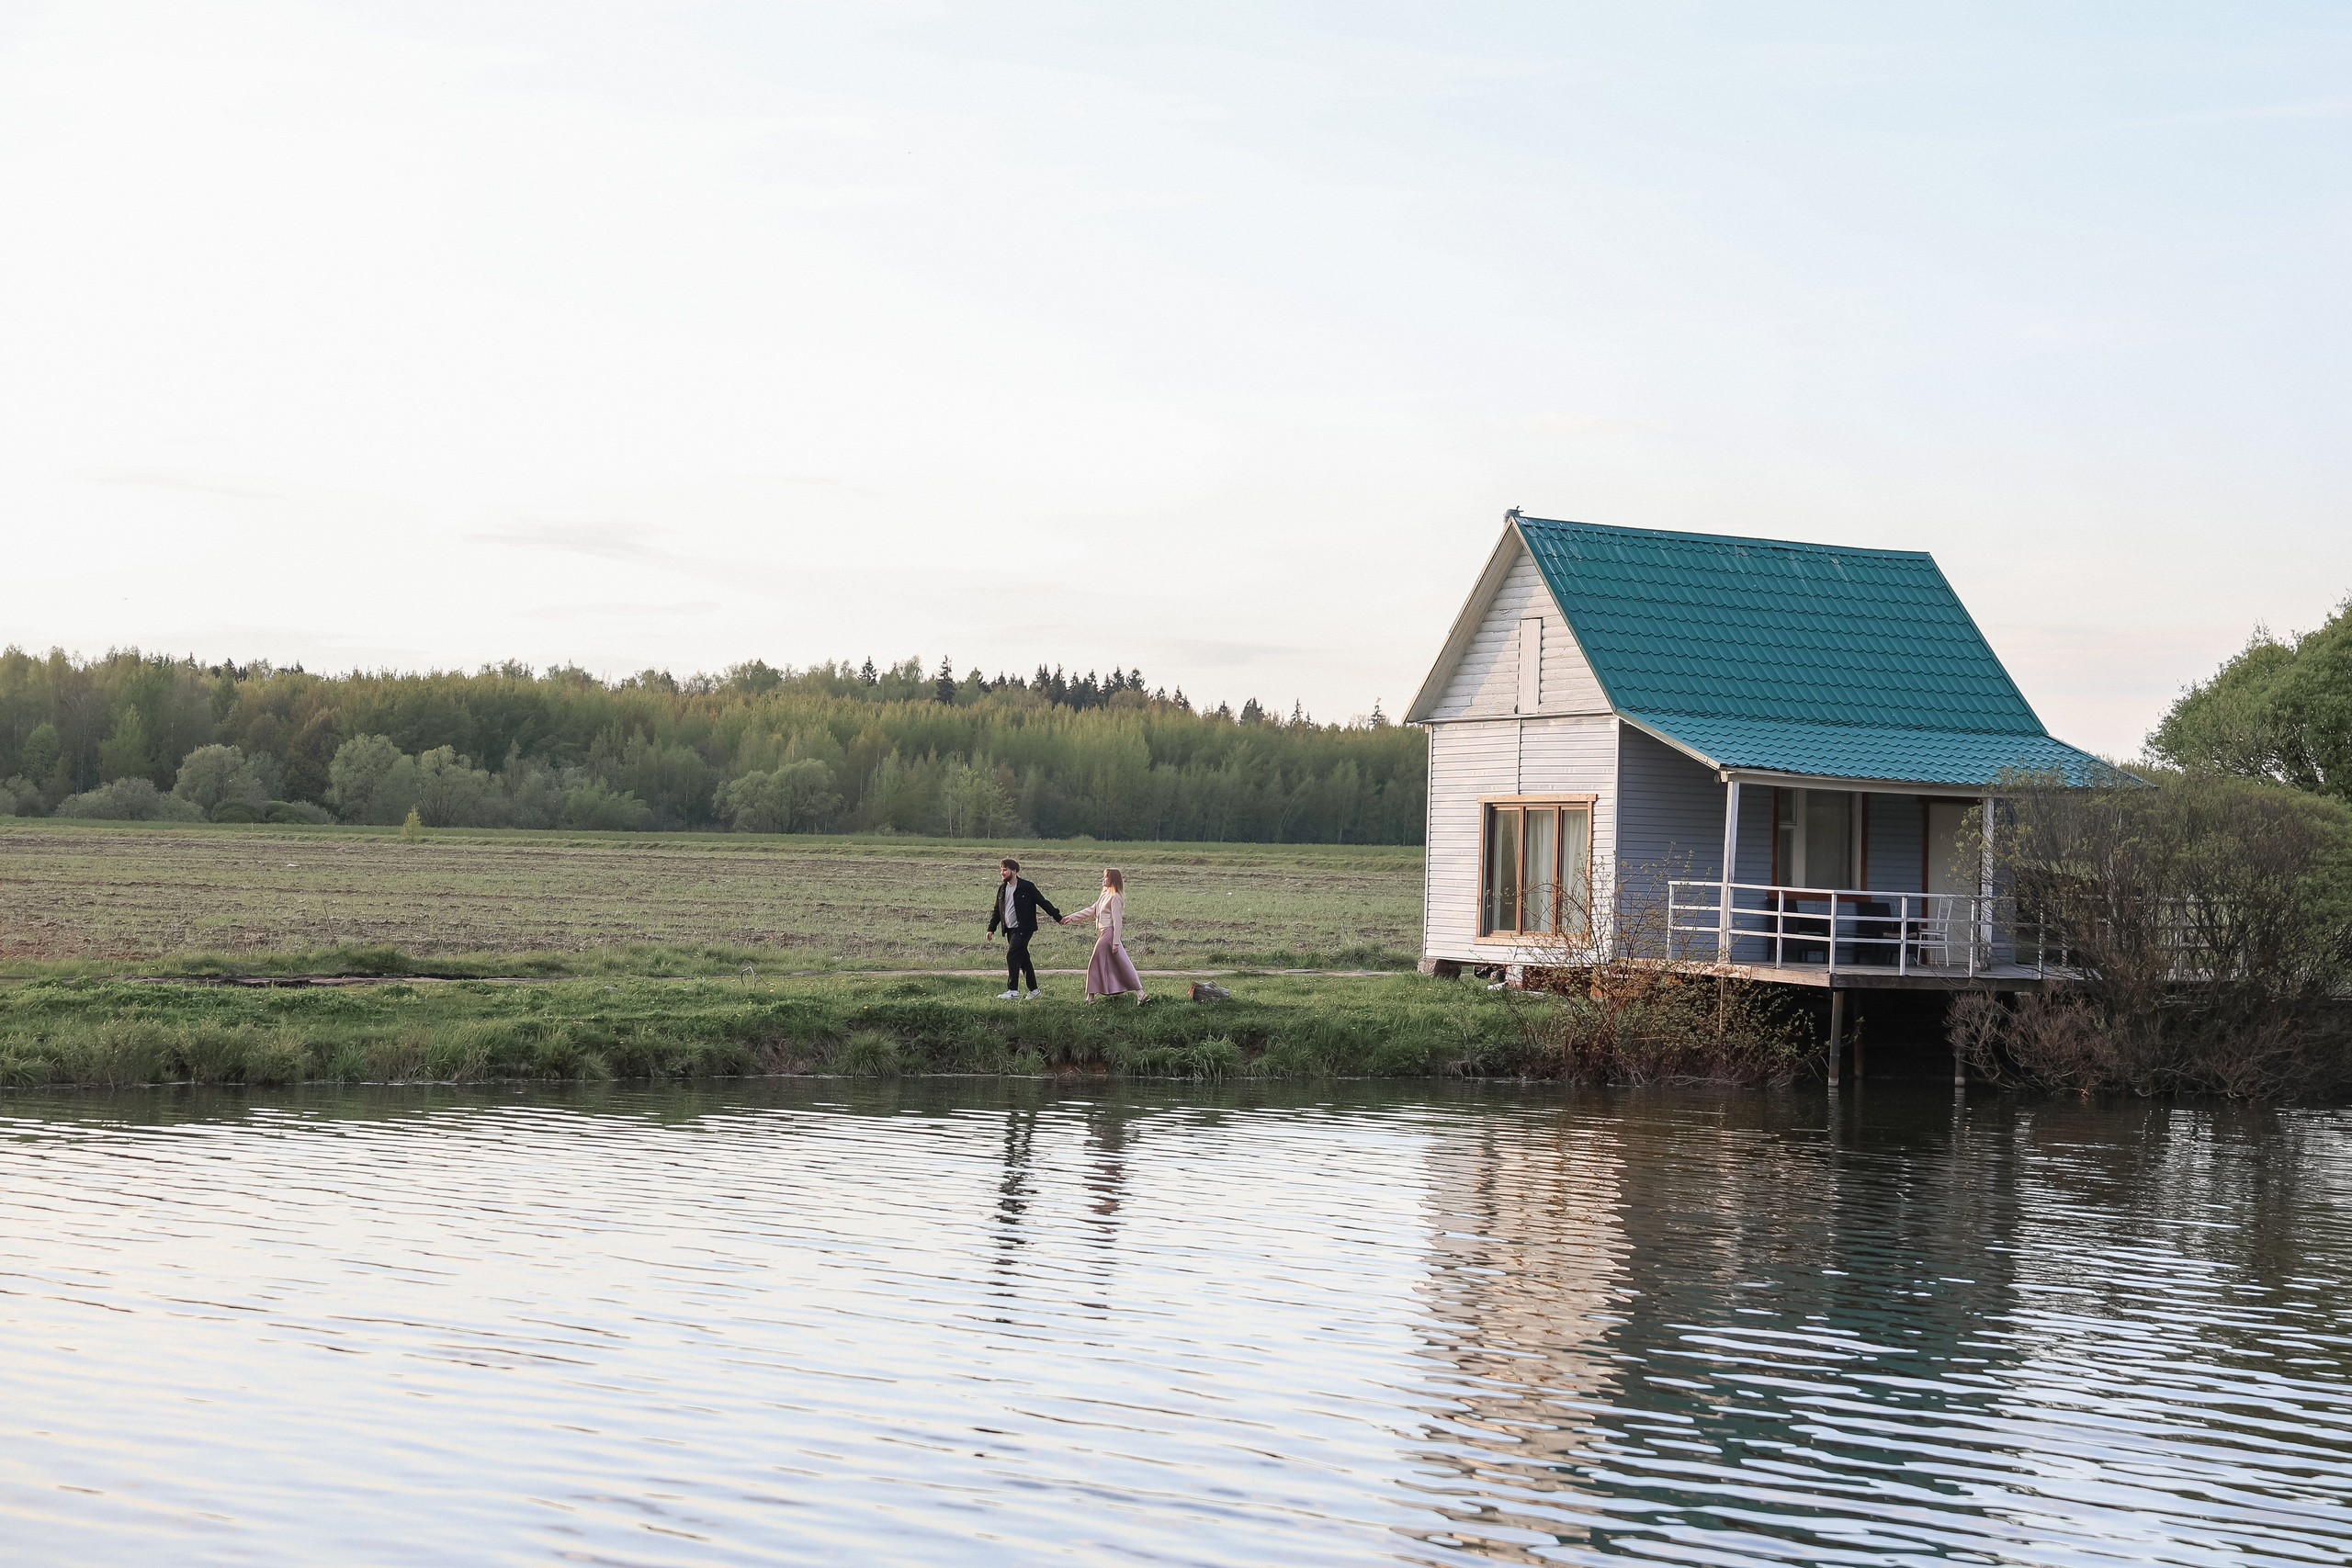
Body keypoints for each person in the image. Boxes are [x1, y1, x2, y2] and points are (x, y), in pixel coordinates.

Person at [1060, 868, 1147, 1004]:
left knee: (1095, 962)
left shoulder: (1115, 897)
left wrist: (1115, 942)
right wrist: (1070, 918)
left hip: (1108, 934)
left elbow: (1117, 921)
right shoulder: (1104, 895)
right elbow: (1090, 910)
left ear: (1113, 880)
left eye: (1106, 877)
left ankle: (1090, 997)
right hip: (1104, 933)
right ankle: (1140, 994)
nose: (1103, 880)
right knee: (1122, 963)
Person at [985, 857, 1062, 1000]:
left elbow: (1042, 902)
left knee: (1012, 955)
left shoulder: (1027, 887)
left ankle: (1013, 991)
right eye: (1001, 869)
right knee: (1023, 959)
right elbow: (997, 911)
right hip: (1010, 929)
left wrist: (1058, 917)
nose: (1002, 872)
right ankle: (1034, 991)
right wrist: (991, 929)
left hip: (1024, 928)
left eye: (1005, 869)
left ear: (1014, 871)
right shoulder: (1002, 889)